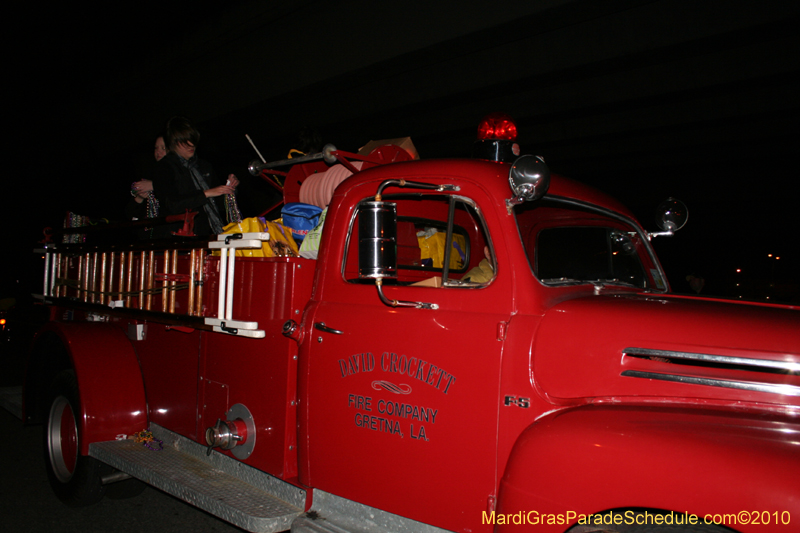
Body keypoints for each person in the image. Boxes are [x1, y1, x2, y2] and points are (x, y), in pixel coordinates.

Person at [152, 116, 239, 237]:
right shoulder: (164, 167)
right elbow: (172, 203)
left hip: (211, 232)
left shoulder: (204, 166)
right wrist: (206, 193)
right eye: (185, 142)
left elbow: (220, 204)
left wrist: (230, 187)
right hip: (179, 237)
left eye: (192, 140)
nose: (191, 144)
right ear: (174, 142)